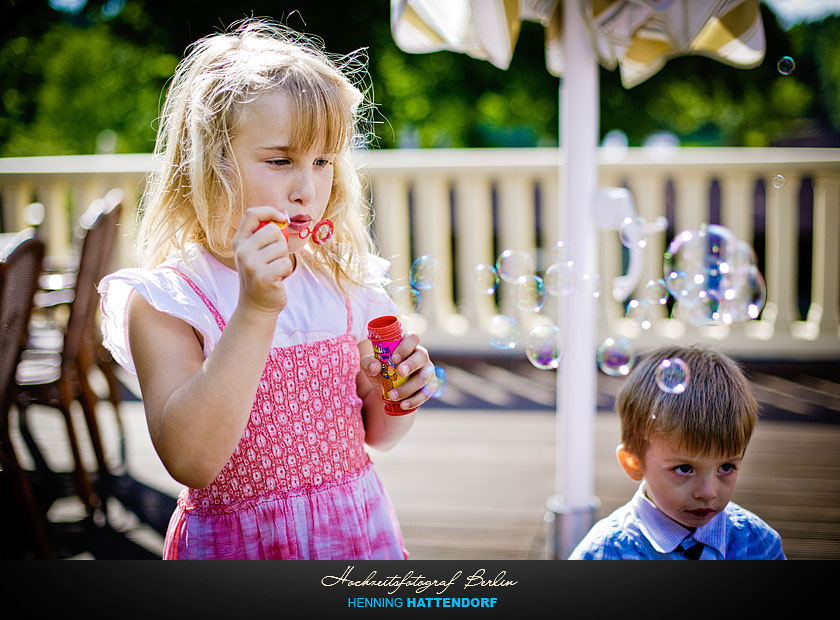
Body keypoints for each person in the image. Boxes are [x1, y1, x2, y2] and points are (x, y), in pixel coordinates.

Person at [98, 18, 436, 560]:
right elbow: (192, 460)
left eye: (323, 161)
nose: (307, 188)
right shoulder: (171, 301)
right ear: (207, 168)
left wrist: (399, 397)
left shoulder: (345, 284)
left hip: (354, 535)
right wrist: (255, 309)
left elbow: (378, 435)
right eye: (281, 161)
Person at [569, 345, 785, 560]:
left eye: (726, 467)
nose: (708, 492)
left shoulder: (758, 543)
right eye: (684, 469)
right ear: (633, 463)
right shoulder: (606, 553)